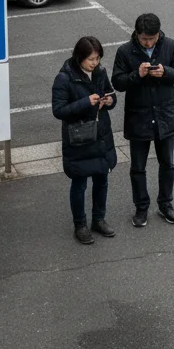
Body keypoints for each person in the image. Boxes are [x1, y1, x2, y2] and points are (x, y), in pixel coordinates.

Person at [111, 12, 174, 227]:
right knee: (138, 167)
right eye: (144, 38)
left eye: (151, 39)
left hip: (165, 116)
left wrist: (165, 72)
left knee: (168, 164)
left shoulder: (170, 45)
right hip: (139, 117)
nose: (147, 42)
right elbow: (117, 82)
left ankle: (166, 204)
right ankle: (141, 208)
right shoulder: (125, 51)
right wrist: (138, 74)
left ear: (158, 34)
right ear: (136, 34)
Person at [52, 36, 118, 245]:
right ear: (79, 57)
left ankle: (99, 219)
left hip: (100, 135)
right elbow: (59, 110)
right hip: (79, 138)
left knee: (102, 179)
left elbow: (112, 96)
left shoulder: (100, 72)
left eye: (97, 58)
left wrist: (109, 101)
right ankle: (80, 224)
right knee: (79, 183)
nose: (95, 63)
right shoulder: (64, 78)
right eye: (91, 59)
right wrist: (85, 102)